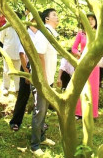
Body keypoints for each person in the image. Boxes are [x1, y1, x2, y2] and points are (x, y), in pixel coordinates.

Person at [30, 9, 59, 156]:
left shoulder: (52, 33)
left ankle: (41, 137)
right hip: (42, 80)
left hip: (49, 79)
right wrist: (43, 78)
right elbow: (39, 55)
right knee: (40, 110)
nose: (57, 17)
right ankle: (34, 145)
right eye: (54, 15)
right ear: (47, 19)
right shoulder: (43, 33)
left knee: (44, 110)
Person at [9, 19, 38, 131]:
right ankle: (15, 122)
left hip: (38, 68)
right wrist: (26, 72)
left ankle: (40, 123)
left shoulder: (40, 34)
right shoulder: (26, 34)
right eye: (33, 22)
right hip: (27, 67)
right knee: (23, 96)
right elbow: (22, 54)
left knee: (39, 97)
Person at [72, 13, 100, 119]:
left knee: (93, 88)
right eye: (88, 19)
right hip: (82, 63)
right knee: (81, 86)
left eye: (93, 19)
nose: (90, 21)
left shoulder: (98, 34)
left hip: (94, 65)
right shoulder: (81, 34)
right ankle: (78, 113)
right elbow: (74, 48)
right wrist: (80, 54)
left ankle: (92, 114)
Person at [0, 12, 22, 95]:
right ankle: (5, 87)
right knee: (6, 71)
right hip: (8, 52)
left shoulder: (21, 27)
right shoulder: (5, 26)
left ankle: (17, 88)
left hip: (18, 53)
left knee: (18, 71)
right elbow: (1, 39)